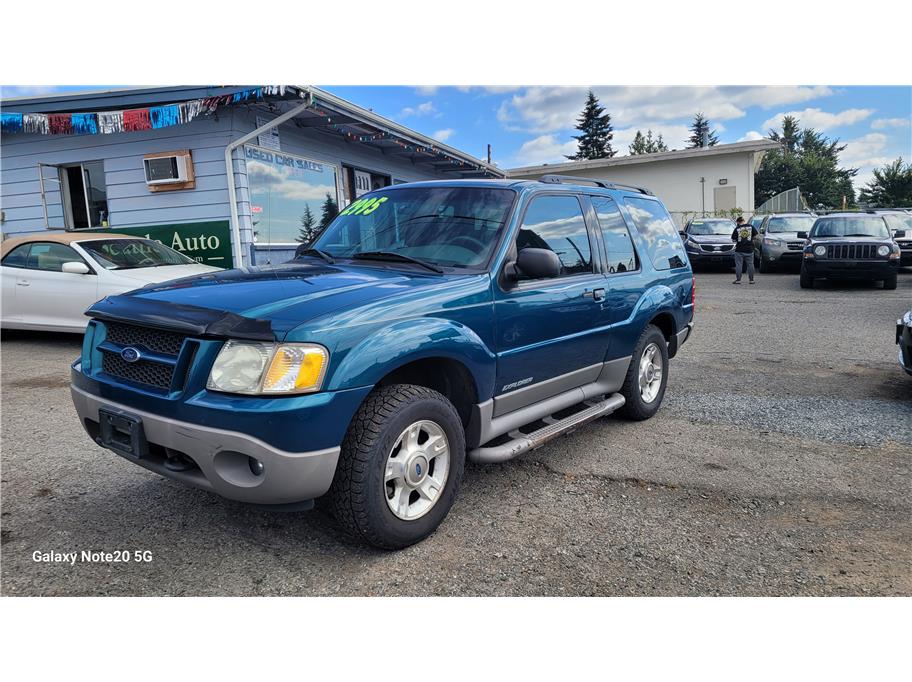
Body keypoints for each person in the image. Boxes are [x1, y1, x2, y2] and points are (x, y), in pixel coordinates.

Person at [731, 216, 757, 284]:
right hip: (749, 249)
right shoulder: (751, 227)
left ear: (738, 222)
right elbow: (755, 236)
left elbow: (733, 239)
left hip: (739, 249)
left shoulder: (737, 228)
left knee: (739, 265)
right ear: (743, 220)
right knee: (750, 264)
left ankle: (738, 280)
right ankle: (751, 280)